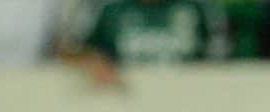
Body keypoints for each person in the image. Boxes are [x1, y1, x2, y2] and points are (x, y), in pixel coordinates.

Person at [64, 0, 230, 87]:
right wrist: (93, 60)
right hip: (124, 108)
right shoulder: (109, 8)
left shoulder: (198, 7)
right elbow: (69, 49)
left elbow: (223, 61)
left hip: (189, 110)